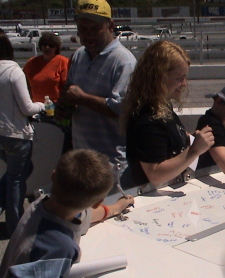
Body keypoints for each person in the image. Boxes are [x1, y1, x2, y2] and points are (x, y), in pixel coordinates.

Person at [0, 149, 134, 278]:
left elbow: (84, 216)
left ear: (53, 176)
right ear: (97, 201)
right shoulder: (55, 247)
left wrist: (116, 207)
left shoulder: (42, 204)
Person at [55, 0, 137, 177]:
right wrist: (63, 109)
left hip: (111, 164)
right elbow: (70, 96)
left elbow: (121, 109)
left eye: (95, 28)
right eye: (83, 29)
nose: (89, 35)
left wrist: (82, 98)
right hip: (80, 159)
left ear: (110, 26)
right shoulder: (79, 55)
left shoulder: (123, 61)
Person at [122, 40, 214, 188]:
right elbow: (155, 174)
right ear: (158, 77)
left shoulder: (162, 106)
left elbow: (165, 141)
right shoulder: (146, 118)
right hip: (149, 199)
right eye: (179, 78)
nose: (184, 84)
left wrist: (187, 138)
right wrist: (194, 150)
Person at [0, 33, 45, 238]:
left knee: (13, 175)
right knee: (17, 179)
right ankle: (15, 226)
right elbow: (27, 108)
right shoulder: (14, 71)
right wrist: (43, 105)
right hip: (16, 134)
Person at [23, 32, 69, 103]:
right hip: (35, 105)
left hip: (56, 106)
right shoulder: (31, 62)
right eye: (44, 44)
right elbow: (23, 84)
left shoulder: (62, 62)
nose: (47, 47)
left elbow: (67, 87)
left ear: (56, 48)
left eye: (51, 45)